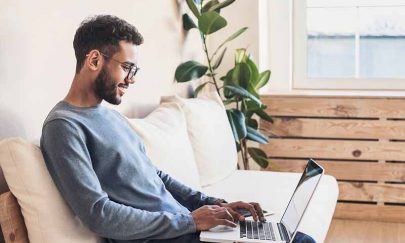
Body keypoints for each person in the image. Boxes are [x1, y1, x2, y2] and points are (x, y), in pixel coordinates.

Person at [40, 15, 314, 243]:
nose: (131, 80)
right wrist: (191, 221)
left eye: (135, 70)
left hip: (186, 229)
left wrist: (214, 204)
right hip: (166, 237)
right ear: (95, 60)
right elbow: (98, 213)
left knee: (292, 237)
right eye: (127, 68)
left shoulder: (110, 117)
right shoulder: (63, 127)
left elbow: (154, 175)